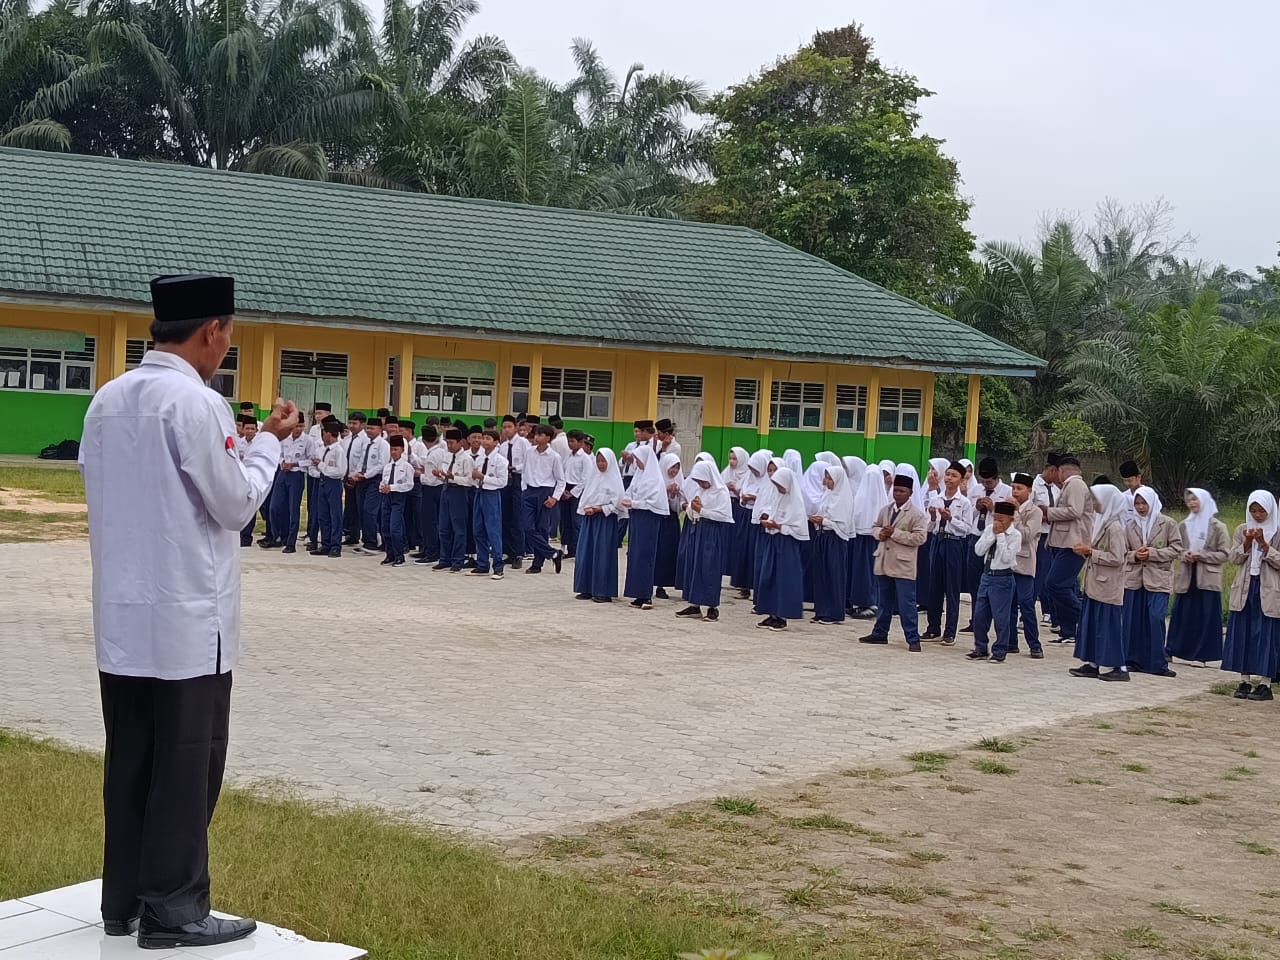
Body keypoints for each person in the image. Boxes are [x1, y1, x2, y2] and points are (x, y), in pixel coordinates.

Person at [79, 274, 291, 948]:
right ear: (210, 331)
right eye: (228, 334)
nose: (227, 347)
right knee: (187, 763)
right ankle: (173, 907)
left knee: (133, 757)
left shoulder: (107, 401)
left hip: (123, 615)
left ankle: (126, 901)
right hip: (188, 619)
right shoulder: (197, 405)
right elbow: (233, 504)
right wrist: (269, 446)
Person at [1068, 484, 1130, 681]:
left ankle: (1119, 667)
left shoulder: (1115, 527)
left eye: (1097, 500)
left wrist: (1090, 552)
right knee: (1093, 624)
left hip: (1108, 585)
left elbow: (1118, 557)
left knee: (1108, 626)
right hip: (1095, 583)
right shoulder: (1101, 522)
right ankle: (1093, 662)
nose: (1094, 504)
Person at [1222, 491, 1280, 701]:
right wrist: (1246, 543)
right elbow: (1234, 558)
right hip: (1245, 587)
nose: (1257, 515)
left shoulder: (1277, 531)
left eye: (1261, 511)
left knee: (1265, 635)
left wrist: (1265, 545)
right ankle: (1244, 680)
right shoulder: (1241, 529)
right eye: (1253, 510)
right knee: (1243, 633)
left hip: (1268, 589)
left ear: (1271, 509)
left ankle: (1265, 684)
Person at [860, 474, 928, 651]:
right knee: (884, 601)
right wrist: (879, 534)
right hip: (884, 560)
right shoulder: (886, 509)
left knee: (907, 603)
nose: (898, 494)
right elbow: (875, 527)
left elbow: (920, 537)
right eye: (895, 490)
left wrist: (895, 533)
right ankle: (880, 633)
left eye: (902, 491)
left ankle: (913, 638)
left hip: (903, 564)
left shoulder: (917, 514)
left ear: (910, 492)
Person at [1122, 486, 1182, 677]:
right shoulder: (1130, 525)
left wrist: (1153, 553)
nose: (1140, 507)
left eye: (1143, 503)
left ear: (1152, 502)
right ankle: (1132, 660)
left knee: (1155, 618)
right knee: (1133, 621)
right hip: (1134, 579)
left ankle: (1157, 663)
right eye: (1137, 503)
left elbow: (1176, 549)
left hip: (1158, 578)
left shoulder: (1168, 523)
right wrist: (1135, 555)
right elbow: (1123, 553)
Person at [1167, 488, 1228, 666]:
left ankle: (1203, 655)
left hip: (1207, 578)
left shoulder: (1218, 527)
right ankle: (1173, 649)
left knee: (1206, 616)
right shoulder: (1184, 525)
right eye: (1189, 500)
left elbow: (1225, 554)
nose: (1192, 503)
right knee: (1182, 614)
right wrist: (1185, 555)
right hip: (1187, 576)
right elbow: (1177, 549)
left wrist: (1202, 555)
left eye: (1196, 500)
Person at [922, 460, 975, 644]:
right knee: (934, 586)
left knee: (952, 589)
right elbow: (929, 527)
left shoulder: (964, 502)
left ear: (961, 480)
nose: (949, 479)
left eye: (954, 476)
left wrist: (950, 519)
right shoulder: (936, 499)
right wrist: (933, 517)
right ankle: (932, 627)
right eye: (948, 474)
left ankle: (950, 631)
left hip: (954, 544)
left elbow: (967, 529)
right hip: (938, 541)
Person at [676, 458, 734, 622]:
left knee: (709, 568)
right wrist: (693, 509)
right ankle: (694, 604)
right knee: (695, 566)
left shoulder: (721, 492)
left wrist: (701, 509)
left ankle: (711, 607)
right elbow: (691, 511)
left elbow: (723, 516)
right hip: (698, 530)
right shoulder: (701, 491)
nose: (701, 484)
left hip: (712, 533)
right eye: (698, 481)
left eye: (703, 480)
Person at [1042, 455, 1092, 645]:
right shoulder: (1069, 486)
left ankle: (1085, 617)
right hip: (1061, 542)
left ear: (1063, 470)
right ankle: (1068, 631)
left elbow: (1075, 511)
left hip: (1073, 543)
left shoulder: (1076, 485)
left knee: (1055, 584)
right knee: (1064, 586)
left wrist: (1049, 512)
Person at [965, 501, 1022, 662]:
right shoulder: (989, 529)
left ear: (1010, 519)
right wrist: (992, 535)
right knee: (980, 615)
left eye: (1001, 519)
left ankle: (1000, 650)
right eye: (995, 518)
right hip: (986, 576)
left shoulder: (1015, 536)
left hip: (1002, 578)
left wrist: (1001, 536)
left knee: (1000, 616)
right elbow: (978, 550)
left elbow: (1006, 558)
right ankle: (980, 648)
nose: (997, 522)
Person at [755, 465, 809, 631]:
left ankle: (782, 616)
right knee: (769, 576)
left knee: (784, 579)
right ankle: (771, 612)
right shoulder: (778, 498)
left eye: (780, 485)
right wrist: (767, 520)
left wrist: (780, 526)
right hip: (774, 542)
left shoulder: (796, 503)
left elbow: (798, 528)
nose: (778, 488)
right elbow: (773, 514)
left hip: (787, 545)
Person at [961, 457, 1012, 631]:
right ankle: (975, 620)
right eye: (983, 481)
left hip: (995, 538)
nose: (986, 484)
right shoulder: (976, 489)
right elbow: (969, 516)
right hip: (977, 536)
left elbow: (1009, 519)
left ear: (996, 477)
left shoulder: (1007, 491)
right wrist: (976, 506)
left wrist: (993, 508)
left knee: (991, 580)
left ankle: (990, 620)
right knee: (974, 580)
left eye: (989, 481)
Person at [574, 449, 625, 603]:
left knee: (602, 554)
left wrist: (600, 508)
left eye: (604, 461)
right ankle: (586, 588)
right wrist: (587, 508)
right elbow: (586, 498)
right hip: (590, 520)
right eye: (598, 461)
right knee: (586, 552)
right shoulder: (593, 477)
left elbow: (618, 503)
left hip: (605, 521)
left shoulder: (614, 480)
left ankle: (603, 591)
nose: (601, 464)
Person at [622, 445, 668, 608]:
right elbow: (630, 491)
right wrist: (625, 500)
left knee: (645, 555)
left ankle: (646, 594)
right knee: (634, 554)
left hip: (648, 519)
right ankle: (637, 593)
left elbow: (655, 503)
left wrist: (634, 503)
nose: (636, 462)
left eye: (638, 459)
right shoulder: (639, 476)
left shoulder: (655, 478)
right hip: (636, 517)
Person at [809, 463, 854, 625]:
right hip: (822, 537)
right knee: (821, 574)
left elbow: (842, 524)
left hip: (835, 540)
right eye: (826, 477)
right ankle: (821, 610)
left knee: (833, 574)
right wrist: (816, 519)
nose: (826, 481)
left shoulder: (843, 499)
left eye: (829, 478)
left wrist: (824, 521)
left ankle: (833, 612)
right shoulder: (827, 495)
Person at [522, 424, 566, 574]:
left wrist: (555, 497)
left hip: (545, 492)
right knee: (527, 527)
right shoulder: (529, 452)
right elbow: (525, 471)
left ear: (548, 438)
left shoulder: (554, 456)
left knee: (541, 529)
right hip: (529, 491)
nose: (537, 437)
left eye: (541, 435)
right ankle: (553, 553)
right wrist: (524, 489)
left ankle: (537, 564)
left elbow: (561, 480)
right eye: (536, 434)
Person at [1009, 472, 1044, 658]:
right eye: (1013, 488)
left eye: (1019, 488)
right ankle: (1010, 642)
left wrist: (1015, 514)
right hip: (1008, 562)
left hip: (1024, 562)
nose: (1015, 492)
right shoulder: (1007, 507)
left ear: (1029, 490)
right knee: (1009, 605)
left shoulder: (1035, 512)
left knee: (1026, 604)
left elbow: (1026, 535)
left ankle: (1035, 644)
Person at [431, 428, 474, 572]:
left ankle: (458, 560)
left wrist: (453, 477)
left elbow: (469, 481)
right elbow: (445, 474)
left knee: (458, 528)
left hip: (459, 492)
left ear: (460, 442)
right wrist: (440, 475)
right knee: (443, 527)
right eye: (447, 443)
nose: (449, 446)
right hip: (446, 489)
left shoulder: (466, 459)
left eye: (452, 443)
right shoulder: (447, 456)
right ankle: (445, 558)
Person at [731, 449, 772, 601]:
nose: (754, 472)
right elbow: (741, 491)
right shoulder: (749, 477)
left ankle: (755, 585)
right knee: (744, 549)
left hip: (758, 519)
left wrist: (753, 497)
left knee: (754, 551)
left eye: (757, 468)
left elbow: (767, 498)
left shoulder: (768, 481)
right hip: (745, 515)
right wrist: (743, 497)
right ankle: (744, 585)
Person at [848, 461, 886, 618]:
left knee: (870, 571)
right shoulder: (861, 496)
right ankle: (859, 602)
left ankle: (872, 603)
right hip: (860, 537)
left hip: (872, 539)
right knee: (859, 571)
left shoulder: (882, 500)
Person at [265, 419, 310, 553]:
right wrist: (282, 462)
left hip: (296, 475)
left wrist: (296, 464)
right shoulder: (285, 438)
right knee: (274, 507)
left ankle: (291, 542)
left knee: (293, 510)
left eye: (301, 426)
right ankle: (278, 535)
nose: (298, 429)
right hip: (283, 473)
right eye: (296, 426)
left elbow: (312, 460)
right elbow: (278, 454)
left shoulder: (307, 440)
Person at [470, 429, 508, 579]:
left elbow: (502, 482)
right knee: (478, 529)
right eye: (483, 438)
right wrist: (475, 478)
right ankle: (482, 563)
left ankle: (498, 566)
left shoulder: (500, 460)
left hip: (492, 495)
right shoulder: (479, 459)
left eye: (488, 439)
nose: (484, 441)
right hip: (479, 492)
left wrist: (483, 477)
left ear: (496, 442)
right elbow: (475, 476)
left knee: (493, 530)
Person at [351, 417, 389, 554]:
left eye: (372, 428)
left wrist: (366, 475)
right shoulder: (366, 443)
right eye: (368, 428)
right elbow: (361, 460)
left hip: (375, 480)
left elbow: (382, 465)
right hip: (362, 479)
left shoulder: (383, 445)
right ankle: (367, 541)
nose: (369, 431)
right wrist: (356, 473)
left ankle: (372, 543)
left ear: (380, 429)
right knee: (361, 510)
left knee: (369, 510)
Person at [1032, 454, 1061, 628]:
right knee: (1036, 574)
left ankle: (1049, 611)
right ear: (1052, 470)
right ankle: (1026, 611)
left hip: (1053, 536)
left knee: (1048, 575)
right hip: (1039, 535)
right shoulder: (1034, 487)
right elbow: (1029, 510)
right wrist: (1043, 515)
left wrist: (1050, 514)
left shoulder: (1057, 490)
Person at [378, 435, 414, 566]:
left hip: (398, 497)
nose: (393, 452)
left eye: (396, 449)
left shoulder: (406, 466)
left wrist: (392, 487)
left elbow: (409, 485)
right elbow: (383, 481)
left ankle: (399, 555)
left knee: (395, 527)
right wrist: (382, 487)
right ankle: (390, 554)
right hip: (386, 497)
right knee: (385, 527)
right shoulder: (387, 467)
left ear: (402, 450)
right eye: (392, 449)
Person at [313, 418, 347, 557]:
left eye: (324, 433)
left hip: (334, 483)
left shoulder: (338, 450)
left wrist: (321, 465)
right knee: (323, 515)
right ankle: (325, 543)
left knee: (335, 514)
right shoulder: (325, 449)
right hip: (323, 481)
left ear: (329, 434)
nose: (323, 436)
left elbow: (340, 471)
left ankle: (335, 545)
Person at [499, 415, 528, 569]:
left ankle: (518, 553)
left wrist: (514, 467)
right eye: (504, 427)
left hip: (518, 480)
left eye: (509, 427)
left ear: (516, 427)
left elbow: (528, 462)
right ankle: (509, 552)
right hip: (506, 482)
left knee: (517, 519)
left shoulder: (523, 443)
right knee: (506, 518)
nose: (507, 430)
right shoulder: (503, 446)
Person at [654, 452, 684, 599]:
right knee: (657, 551)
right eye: (672, 467)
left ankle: (662, 584)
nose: (674, 471)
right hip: (658, 519)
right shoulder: (658, 479)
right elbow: (654, 498)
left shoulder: (678, 481)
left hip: (671, 521)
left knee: (669, 552)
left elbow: (678, 507)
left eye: (677, 468)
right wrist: (665, 491)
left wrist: (674, 496)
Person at [414, 425, 444, 565]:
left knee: (429, 522)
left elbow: (430, 479)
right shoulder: (440, 451)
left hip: (430, 489)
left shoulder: (432, 455)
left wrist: (420, 475)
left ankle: (431, 552)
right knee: (434, 521)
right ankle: (429, 549)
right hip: (439, 489)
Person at [559, 429, 588, 558]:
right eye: (569, 441)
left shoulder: (585, 458)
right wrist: (563, 490)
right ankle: (569, 549)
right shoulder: (568, 457)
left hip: (576, 492)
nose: (570, 444)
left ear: (581, 442)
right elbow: (563, 473)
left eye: (573, 441)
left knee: (577, 522)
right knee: (566, 521)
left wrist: (572, 493)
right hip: (565, 489)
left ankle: (578, 549)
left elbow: (585, 479)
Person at [341, 411, 368, 545]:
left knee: (359, 507)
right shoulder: (347, 439)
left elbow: (362, 460)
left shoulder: (365, 440)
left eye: (355, 423)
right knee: (350, 506)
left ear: (362, 424)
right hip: (347, 476)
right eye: (350, 423)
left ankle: (364, 536)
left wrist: (355, 476)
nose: (351, 426)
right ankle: (351, 534)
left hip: (358, 478)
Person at [235, 416, 261, 546]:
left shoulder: (259, 444)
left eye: (252, 428)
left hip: (253, 478)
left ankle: (247, 536)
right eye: (247, 428)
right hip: (240, 478)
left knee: (251, 506)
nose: (250, 431)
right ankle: (239, 534)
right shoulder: (239, 443)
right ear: (243, 429)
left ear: (256, 430)